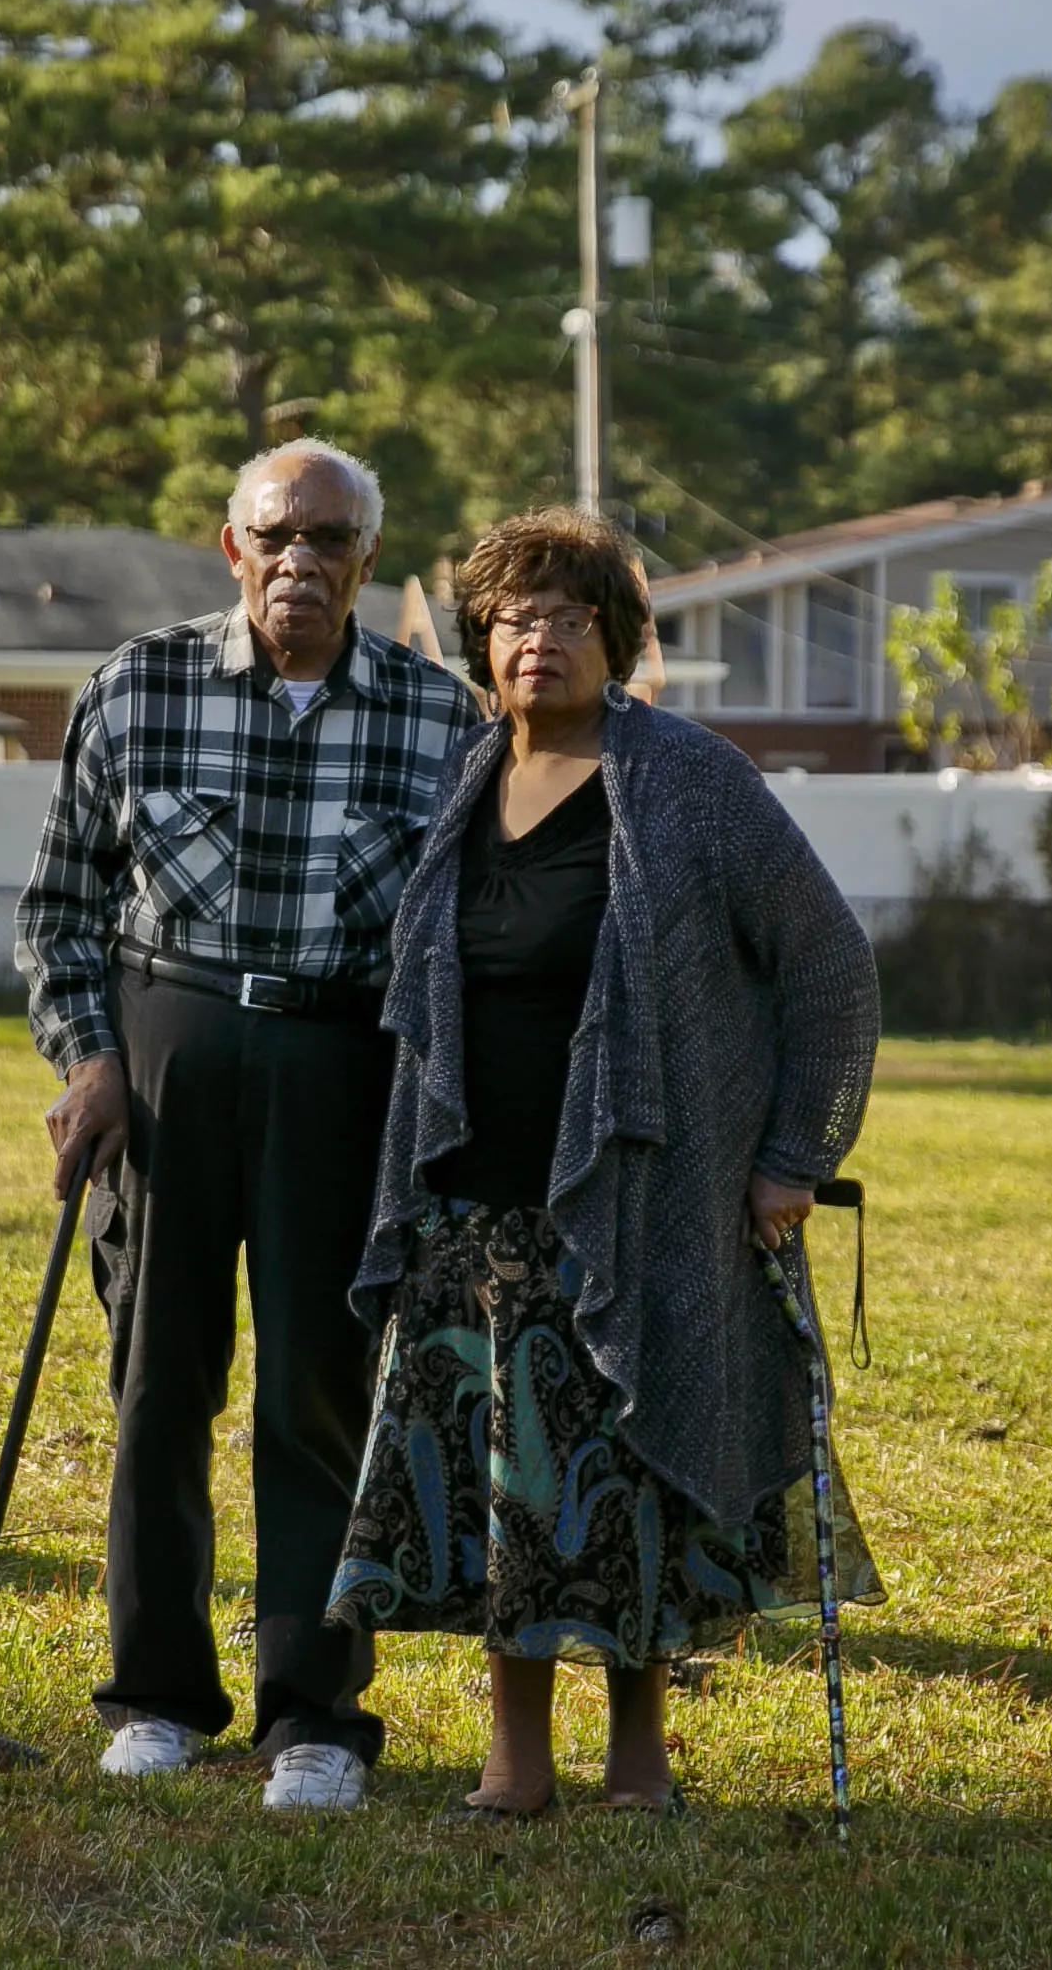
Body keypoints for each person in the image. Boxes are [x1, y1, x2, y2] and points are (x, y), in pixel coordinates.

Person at [324, 507, 883, 1818]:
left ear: (619, 641)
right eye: (515, 618)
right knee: (498, 1495)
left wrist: (794, 1153)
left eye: (571, 617)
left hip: (638, 1207)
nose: (540, 640)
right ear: (482, 644)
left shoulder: (688, 781)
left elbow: (830, 964)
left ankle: (640, 1764)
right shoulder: (465, 783)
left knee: (629, 1471)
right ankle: (513, 1769)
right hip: (474, 1213)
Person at [13, 438, 476, 1812]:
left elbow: (458, 941)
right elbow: (59, 910)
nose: (300, 562)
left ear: (366, 562)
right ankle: (156, 1695)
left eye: (329, 539)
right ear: (233, 548)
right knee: (160, 1384)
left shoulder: (437, 717)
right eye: (276, 536)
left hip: (344, 1070)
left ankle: (314, 1716)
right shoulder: (136, 689)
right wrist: (89, 1057)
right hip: (167, 1061)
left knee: (318, 1396)